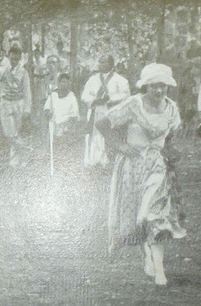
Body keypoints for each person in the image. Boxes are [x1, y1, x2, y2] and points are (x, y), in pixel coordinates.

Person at [97, 63, 183, 287]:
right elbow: (102, 123)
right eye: (154, 86)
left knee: (155, 214)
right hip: (133, 167)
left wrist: (169, 153)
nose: (159, 91)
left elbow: (171, 135)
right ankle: (146, 254)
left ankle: (160, 269)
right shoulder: (134, 104)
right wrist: (121, 146)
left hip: (157, 167)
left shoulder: (171, 108)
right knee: (138, 218)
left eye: (163, 86)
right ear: (146, 86)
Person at [81, 55, 131, 170]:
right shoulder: (93, 79)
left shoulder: (120, 80)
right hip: (95, 110)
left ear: (110, 64)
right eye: (99, 62)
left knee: (109, 135)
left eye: (103, 62)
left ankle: (108, 162)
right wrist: (94, 100)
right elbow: (84, 95)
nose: (100, 64)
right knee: (94, 135)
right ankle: (93, 161)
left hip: (110, 111)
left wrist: (110, 98)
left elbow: (126, 95)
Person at [0, 45, 33, 166]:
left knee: (17, 132)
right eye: (12, 58)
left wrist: (27, 109)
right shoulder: (2, 69)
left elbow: (27, 91)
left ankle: (15, 162)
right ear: (8, 57)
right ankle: (27, 150)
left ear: (19, 59)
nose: (14, 61)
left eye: (16, 59)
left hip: (19, 103)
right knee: (10, 134)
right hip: (5, 103)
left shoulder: (23, 72)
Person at [42, 73, 81, 177]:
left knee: (65, 146)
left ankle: (66, 168)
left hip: (66, 126)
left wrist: (68, 125)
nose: (64, 84)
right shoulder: (53, 95)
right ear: (58, 83)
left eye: (66, 82)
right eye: (62, 82)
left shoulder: (71, 96)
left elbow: (75, 114)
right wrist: (48, 113)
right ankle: (54, 168)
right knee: (54, 147)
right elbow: (46, 108)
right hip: (54, 125)